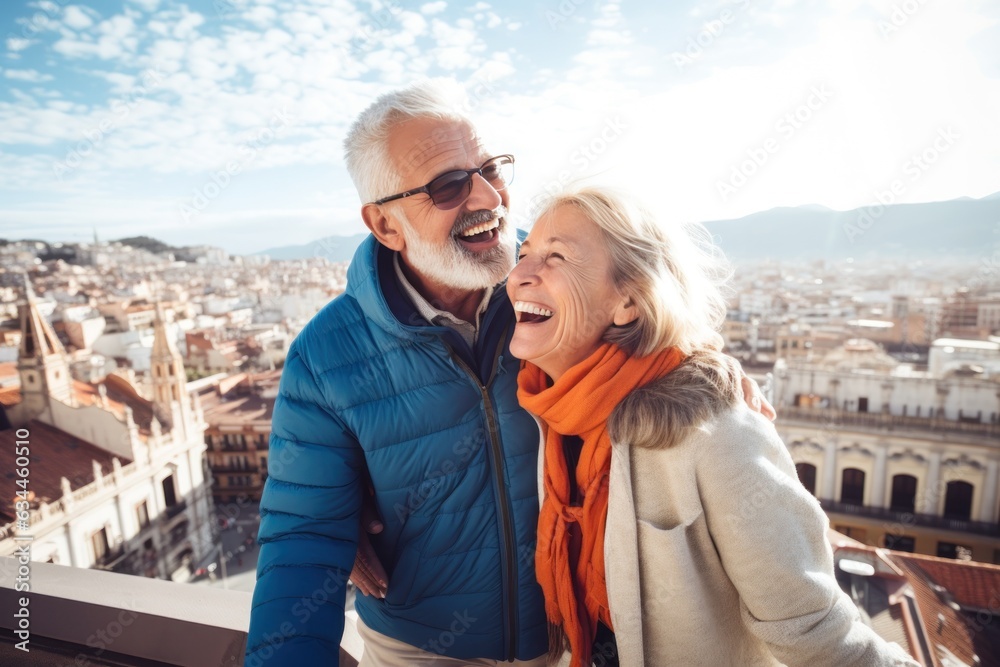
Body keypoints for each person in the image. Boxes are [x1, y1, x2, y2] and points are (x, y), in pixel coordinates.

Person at [245, 80, 772, 666]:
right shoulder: (325, 357)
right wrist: (341, 521)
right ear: (385, 226)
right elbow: (301, 539)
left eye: (490, 169)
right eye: (447, 185)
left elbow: (645, 317)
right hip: (419, 649)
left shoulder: (556, 285)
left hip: (563, 638)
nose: (486, 197)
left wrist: (705, 368)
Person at [508, 186, 920, 667]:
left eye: (556, 256)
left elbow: (816, 633)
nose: (518, 276)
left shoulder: (715, 432)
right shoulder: (546, 406)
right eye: (523, 254)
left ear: (628, 302)